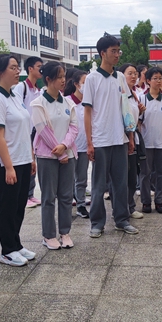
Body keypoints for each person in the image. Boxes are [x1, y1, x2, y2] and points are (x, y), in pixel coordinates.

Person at [83, 35, 139, 237]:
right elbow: (87, 112)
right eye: (113, 51)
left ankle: (121, 220)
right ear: (102, 53)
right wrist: (89, 142)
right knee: (99, 186)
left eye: (118, 51)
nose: (117, 55)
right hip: (100, 140)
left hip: (120, 139)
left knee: (120, 184)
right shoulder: (92, 79)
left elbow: (126, 109)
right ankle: (97, 223)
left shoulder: (120, 77)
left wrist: (130, 137)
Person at [0, 54, 37, 266]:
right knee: (8, 206)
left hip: (22, 159)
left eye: (18, 67)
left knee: (19, 206)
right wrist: (8, 167)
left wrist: (30, 157)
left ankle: (16, 243)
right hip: (6, 163)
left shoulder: (13, 95)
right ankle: (7, 250)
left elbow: (24, 129)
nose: (18, 71)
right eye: (13, 68)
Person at [31, 62, 78, 249]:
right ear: (48, 79)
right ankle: (48, 235)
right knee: (48, 197)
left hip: (68, 154)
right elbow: (43, 130)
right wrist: (59, 153)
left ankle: (65, 232)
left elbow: (74, 127)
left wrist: (64, 146)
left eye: (64, 76)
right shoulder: (38, 104)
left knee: (66, 196)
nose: (63, 80)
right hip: (47, 157)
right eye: (59, 77)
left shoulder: (68, 102)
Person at [138, 67, 162, 214]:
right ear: (148, 81)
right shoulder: (141, 98)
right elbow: (138, 123)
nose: (158, 81)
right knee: (145, 173)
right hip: (146, 142)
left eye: (160, 78)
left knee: (161, 173)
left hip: (161, 142)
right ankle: (146, 202)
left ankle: (159, 201)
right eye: (155, 78)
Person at [14, 56, 44, 208]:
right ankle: (25, 195)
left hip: (36, 131)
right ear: (30, 69)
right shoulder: (22, 88)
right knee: (27, 162)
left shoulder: (38, 90)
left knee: (34, 164)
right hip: (25, 131)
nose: (41, 70)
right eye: (39, 67)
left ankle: (30, 194)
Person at [119, 63, 146, 219]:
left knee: (132, 175)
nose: (134, 76)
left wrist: (139, 111)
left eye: (135, 73)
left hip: (133, 138)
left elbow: (132, 118)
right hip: (123, 139)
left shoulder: (134, 94)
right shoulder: (120, 94)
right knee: (123, 176)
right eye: (130, 73)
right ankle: (121, 208)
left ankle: (130, 206)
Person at [64, 69, 91, 219]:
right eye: (84, 83)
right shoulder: (66, 101)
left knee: (81, 178)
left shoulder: (89, 102)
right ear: (76, 84)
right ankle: (66, 205)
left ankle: (81, 205)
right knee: (68, 179)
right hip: (69, 147)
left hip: (84, 145)